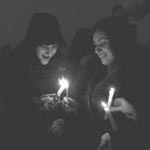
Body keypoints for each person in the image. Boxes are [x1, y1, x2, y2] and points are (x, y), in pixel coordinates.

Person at [0, 12, 79, 150]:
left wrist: (63, 118)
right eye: (44, 45)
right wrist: (35, 104)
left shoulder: (59, 64)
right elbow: (9, 102)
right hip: (21, 136)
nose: (49, 51)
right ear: (33, 44)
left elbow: (66, 99)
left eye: (54, 46)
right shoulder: (13, 65)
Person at [75, 16, 144, 150]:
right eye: (95, 45)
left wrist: (136, 115)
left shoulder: (139, 76)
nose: (97, 50)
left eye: (103, 43)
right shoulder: (96, 72)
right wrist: (76, 110)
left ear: (119, 42)